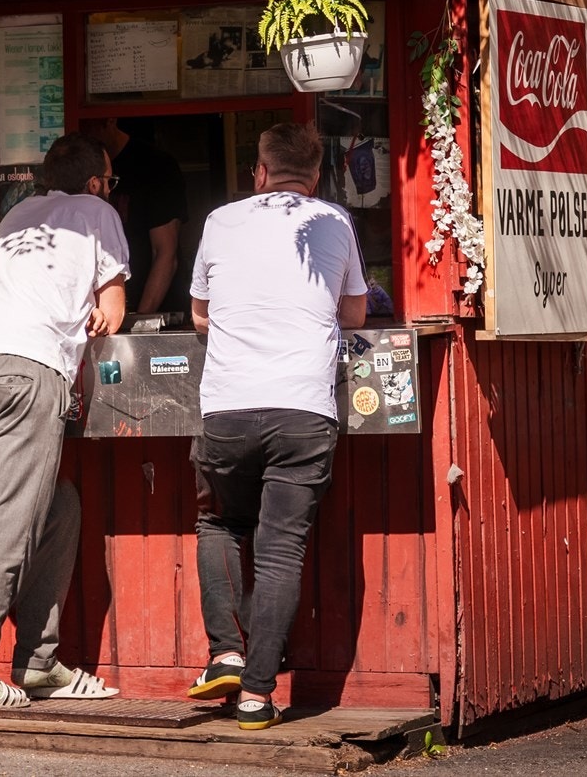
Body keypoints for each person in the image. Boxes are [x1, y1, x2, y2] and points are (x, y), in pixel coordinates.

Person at [185, 122, 367, 730]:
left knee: (218, 523)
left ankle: (225, 655)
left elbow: (200, 315)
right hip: (304, 410)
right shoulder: (334, 221)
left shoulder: (219, 220)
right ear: (315, 178)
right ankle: (259, 698)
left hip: (230, 408)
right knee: (282, 550)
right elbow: (355, 311)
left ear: (258, 172)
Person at [0, 132, 130, 713]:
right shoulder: (98, 212)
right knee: (8, 521)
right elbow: (115, 310)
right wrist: (100, 313)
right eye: (109, 181)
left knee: (55, 508)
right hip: (28, 374)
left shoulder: (20, 214)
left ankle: (39, 662)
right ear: (98, 183)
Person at [81, 117, 187, 314]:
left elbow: (165, 253)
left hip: (153, 309)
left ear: (110, 121)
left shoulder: (156, 165)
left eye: (87, 126)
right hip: (95, 312)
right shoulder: (79, 172)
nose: (84, 135)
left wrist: (141, 321)